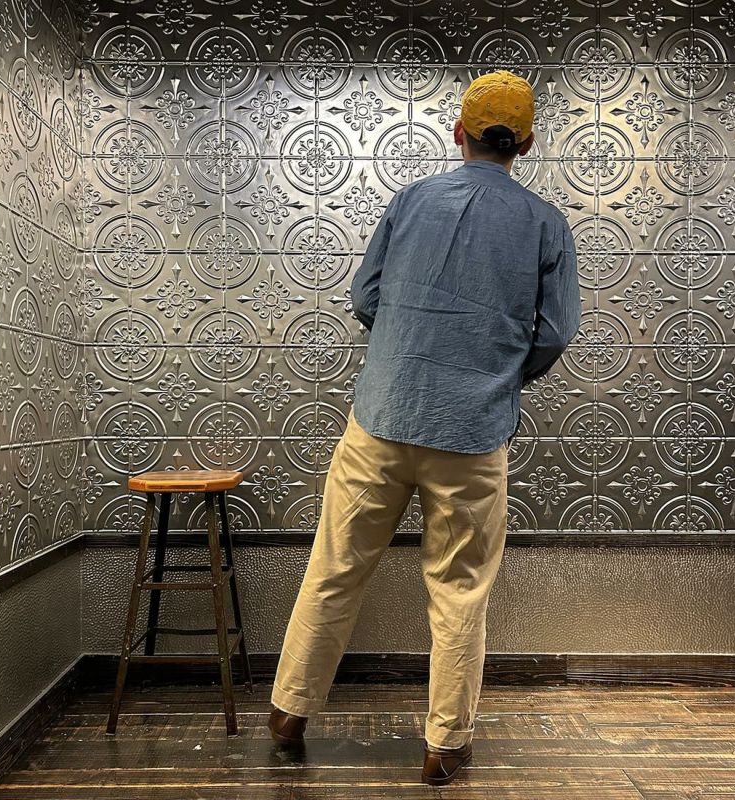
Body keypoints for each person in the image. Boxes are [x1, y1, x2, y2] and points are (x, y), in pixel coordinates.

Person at [266, 70, 582, 786]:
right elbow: (557, 331)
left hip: (380, 418)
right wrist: (498, 374)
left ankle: (289, 711)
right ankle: (444, 745)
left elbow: (365, 296)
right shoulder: (545, 223)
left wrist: (406, 348)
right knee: (459, 588)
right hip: (472, 433)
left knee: (335, 566)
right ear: (527, 143)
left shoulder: (410, 200)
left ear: (458, 132)